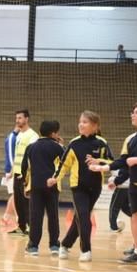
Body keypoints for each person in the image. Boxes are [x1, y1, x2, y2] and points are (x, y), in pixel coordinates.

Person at [89, 101, 137, 266]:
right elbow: (124, 162)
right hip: (134, 185)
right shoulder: (131, 139)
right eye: (133, 111)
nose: (133, 114)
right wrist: (108, 171)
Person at [48, 111, 112, 262]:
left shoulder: (102, 143)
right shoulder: (74, 143)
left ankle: (65, 244)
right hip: (78, 187)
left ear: (95, 126)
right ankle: (86, 250)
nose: (81, 124)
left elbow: (112, 162)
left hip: (96, 187)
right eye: (80, 121)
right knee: (83, 217)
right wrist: (55, 178)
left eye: (85, 122)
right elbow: (64, 165)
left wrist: (99, 161)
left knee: (80, 218)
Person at [21, 120, 64, 256]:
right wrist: (61, 145)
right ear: (54, 133)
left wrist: (25, 183)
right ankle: (54, 245)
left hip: (36, 186)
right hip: (52, 185)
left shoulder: (31, 147)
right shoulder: (58, 147)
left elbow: (24, 167)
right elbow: (64, 164)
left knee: (35, 216)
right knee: (53, 215)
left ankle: (33, 246)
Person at [8, 109, 38, 236]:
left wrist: (29, 175)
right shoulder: (19, 135)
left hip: (26, 174)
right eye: (16, 118)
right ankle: (21, 226)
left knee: (27, 202)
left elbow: (32, 156)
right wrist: (11, 171)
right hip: (16, 173)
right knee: (18, 201)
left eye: (20, 118)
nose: (17, 121)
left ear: (26, 119)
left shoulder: (33, 136)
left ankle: (31, 227)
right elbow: (17, 155)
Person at [2, 122, 20, 228]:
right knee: (16, 195)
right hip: (12, 170)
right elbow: (10, 156)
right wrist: (13, 171)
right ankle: (19, 219)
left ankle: (5, 218)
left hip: (15, 170)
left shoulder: (17, 137)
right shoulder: (12, 137)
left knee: (14, 195)